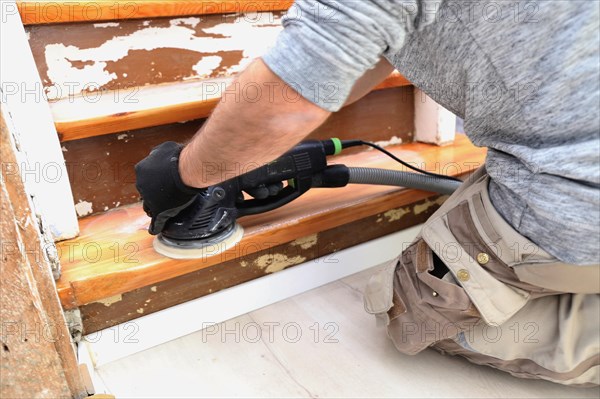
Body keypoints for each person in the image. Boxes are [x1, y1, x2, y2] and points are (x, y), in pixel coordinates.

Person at [135, 0, 599, 386]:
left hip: (580, 212)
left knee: (409, 312)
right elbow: (363, 54)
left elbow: (283, 103)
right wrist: (244, 149)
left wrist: (183, 176)